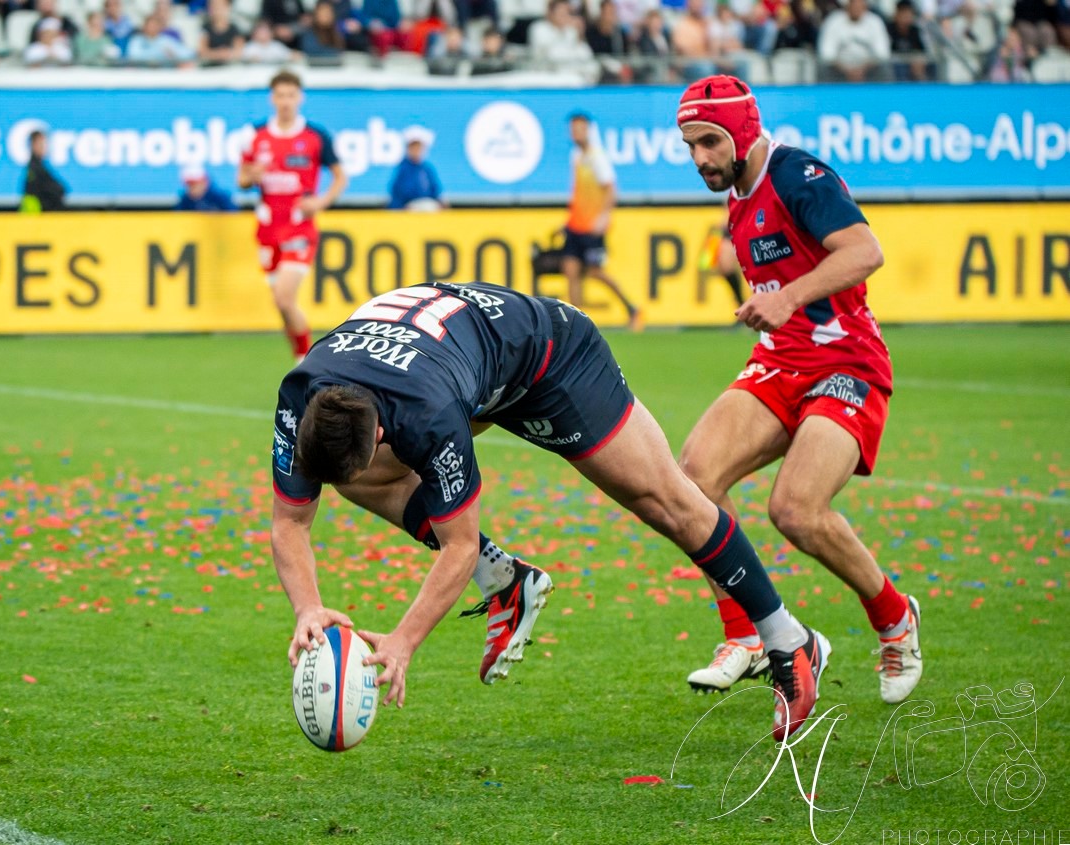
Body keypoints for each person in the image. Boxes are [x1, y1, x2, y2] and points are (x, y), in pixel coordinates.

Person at [272, 282, 830, 741]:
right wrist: (307, 609)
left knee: (668, 502)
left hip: (550, 356)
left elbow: (458, 544)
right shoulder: (300, 393)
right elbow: (289, 522)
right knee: (359, 482)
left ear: (382, 432)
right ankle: (507, 583)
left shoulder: (427, 415)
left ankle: (788, 639)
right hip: (468, 361)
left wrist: (403, 640)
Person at [675, 75, 922, 706]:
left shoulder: (797, 175)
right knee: (692, 480)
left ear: (743, 131)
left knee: (796, 510)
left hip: (848, 362)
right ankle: (750, 637)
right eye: (690, 145)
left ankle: (895, 618)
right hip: (781, 362)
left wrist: (789, 295)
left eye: (709, 141)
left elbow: (865, 251)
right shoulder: (735, 192)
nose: (700, 157)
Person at [238, 71, 348, 361]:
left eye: (290, 95)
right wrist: (252, 175)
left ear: (299, 98)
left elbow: (340, 176)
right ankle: (299, 359)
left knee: (284, 297)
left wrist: (321, 201)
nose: (285, 102)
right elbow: (242, 180)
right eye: (280, 95)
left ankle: (307, 363)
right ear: (272, 99)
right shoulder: (255, 134)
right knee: (282, 306)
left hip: (299, 229)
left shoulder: (315, 135)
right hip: (267, 230)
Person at [561, 111, 639, 328]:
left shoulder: (597, 157)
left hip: (592, 228)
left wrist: (603, 217)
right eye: (573, 129)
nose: (575, 132)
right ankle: (575, 323)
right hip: (576, 225)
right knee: (571, 270)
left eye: (579, 128)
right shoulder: (576, 156)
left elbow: (611, 189)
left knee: (596, 272)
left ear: (588, 130)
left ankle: (631, 308)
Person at [817, 0, 892, 82]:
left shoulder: (875, 22)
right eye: (854, 5)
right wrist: (847, 71)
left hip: (868, 70)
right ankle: (827, 94)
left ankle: (884, 94)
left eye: (860, 5)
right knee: (824, 68)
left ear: (865, 7)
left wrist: (862, 69)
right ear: (848, 6)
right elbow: (826, 54)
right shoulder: (833, 21)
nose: (856, 8)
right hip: (839, 70)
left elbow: (882, 54)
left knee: (884, 68)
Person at [387, 127, 445, 210]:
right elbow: (398, 192)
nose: (416, 150)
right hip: (409, 207)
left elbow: (435, 189)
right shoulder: (403, 168)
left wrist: (440, 201)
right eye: (413, 147)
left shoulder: (427, 168)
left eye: (419, 147)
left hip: (428, 204)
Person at [21, 129, 68, 213]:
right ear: (33, 145)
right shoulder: (35, 169)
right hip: (37, 217)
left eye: (44, 144)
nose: (44, 147)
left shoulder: (39, 166)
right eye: (41, 144)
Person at [199, 0, 246, 65]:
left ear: (227, 7)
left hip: (230, 66)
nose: (217, 9)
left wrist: (226, 54)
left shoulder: (234, 28)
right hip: (210, 66)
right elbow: (202, 51)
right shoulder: (205, 28)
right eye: (214, 6)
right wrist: (219, 54)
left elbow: (239, 51)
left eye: (220, 6)